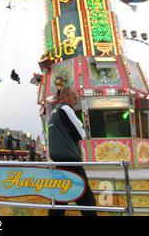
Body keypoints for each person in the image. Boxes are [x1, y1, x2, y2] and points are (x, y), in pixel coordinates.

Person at [47, 88, 97, 216]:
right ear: (66, 97)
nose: (77, 99)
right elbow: (81, 134)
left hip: (58, 158)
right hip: (70, 158)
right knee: (84, 192)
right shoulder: (66, 109)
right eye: (74, 97)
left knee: (61, 193)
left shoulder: (54, 112)